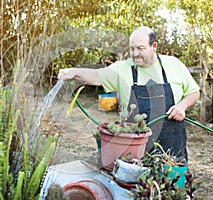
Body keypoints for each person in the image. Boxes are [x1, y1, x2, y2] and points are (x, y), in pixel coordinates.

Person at [58, 26, 200, 161]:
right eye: (132, 49)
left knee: (173, 183)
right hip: (133, 146)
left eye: (140, 48)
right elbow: (96, 75)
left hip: (171, 147)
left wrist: (182, 106)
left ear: (154, 46)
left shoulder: (173, 65)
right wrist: (73, 72)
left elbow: (194, 92)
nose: (135, 54)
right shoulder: (123, 68)